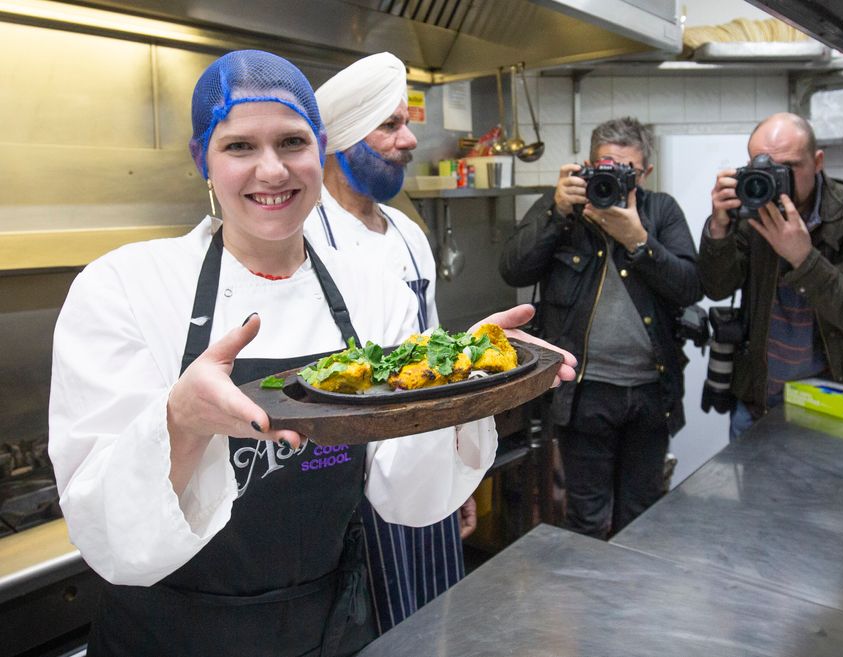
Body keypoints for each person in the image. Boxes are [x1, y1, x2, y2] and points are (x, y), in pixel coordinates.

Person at [47, 50, 574, 657]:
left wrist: (465, 376)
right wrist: (182, 422)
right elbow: (110, 540)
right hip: (170, 633)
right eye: (240, 146)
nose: (272, 171)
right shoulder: (127, 287)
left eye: (292, 142)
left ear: (321, 147)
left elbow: (409, 497)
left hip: (327, 626)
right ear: (203, 160)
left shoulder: (371, 285)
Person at [304, 51, 474, 634]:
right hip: (337, 483)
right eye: (391, 126)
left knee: (433, 628)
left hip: (421, 457)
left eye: (407, 123)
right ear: (343, 137)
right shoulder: (300, 238)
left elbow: (437, 358)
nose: (409, 140)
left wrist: (454, 468)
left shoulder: (408, 234)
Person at [499, 117, 702, 539]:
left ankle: (634, 600)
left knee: (642, 516)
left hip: (650, 392)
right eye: (604, 168)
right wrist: (556, 212)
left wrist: (638, 241)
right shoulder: (564, 209)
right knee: (586, 520)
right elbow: (513, 269)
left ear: (644, 173)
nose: (612, 179)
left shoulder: (661, 211)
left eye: (624, 171)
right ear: (587, 165)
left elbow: (688, 287)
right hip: (583, 393)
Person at [698, 112, 843, 440]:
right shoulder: (750, 211)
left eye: (788, 167)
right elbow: (717, 289)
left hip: (837, 401)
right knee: (753, 493)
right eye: (762, 167)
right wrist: (718, 228)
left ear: (817, 162)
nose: (775, 179)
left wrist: (803, 257)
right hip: (760, 399)